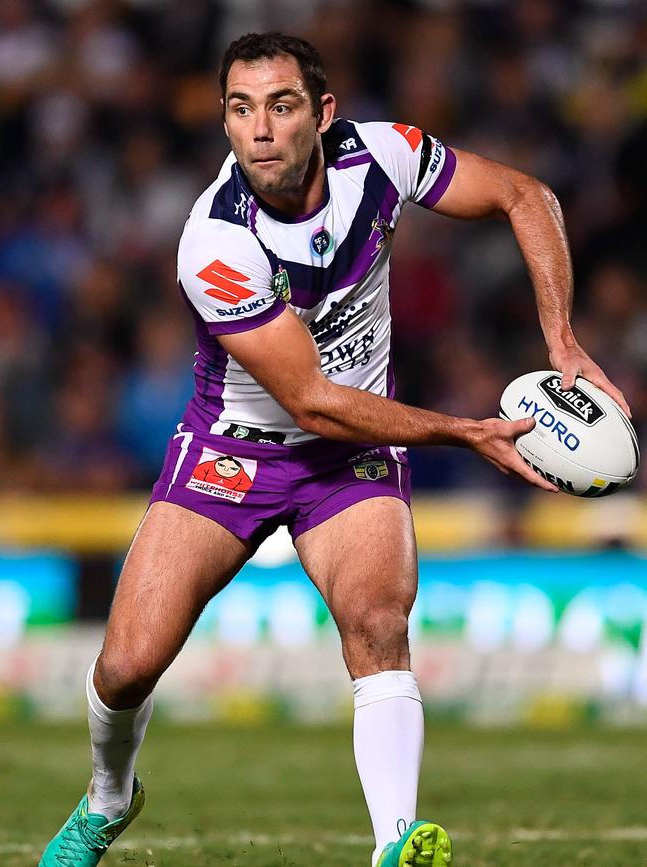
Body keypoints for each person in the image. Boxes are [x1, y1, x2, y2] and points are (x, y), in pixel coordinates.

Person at [38, 31, 630, 867]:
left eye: (280, 106)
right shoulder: (215, 243)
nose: (261, 130)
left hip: (350, 454)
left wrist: (562, 339)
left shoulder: (384, 157)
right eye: (240, 110)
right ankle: (108, 798)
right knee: (125, 666)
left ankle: (396, 843)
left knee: (377, 621)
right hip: (234, 452)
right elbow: (313, 401)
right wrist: (465, 433)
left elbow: (527, 196)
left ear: (322, 113)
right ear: (225, 123)